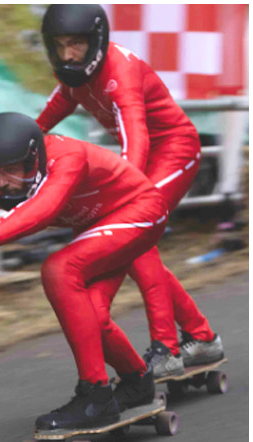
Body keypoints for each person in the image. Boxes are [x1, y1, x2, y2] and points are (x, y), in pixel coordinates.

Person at [35, 4, 224, 377]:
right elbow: (46, 117)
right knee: (132, 239)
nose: (67, 54)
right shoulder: (75, 77)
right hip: (144, 157)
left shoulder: (118, 70)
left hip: (174, 150)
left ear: (95, 41)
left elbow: (136, 135)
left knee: (134, 231)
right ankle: (201, 336)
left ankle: (167, 349)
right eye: (59, 45)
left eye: (75, 43)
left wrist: (127, 194)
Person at [0, 112, 167, 430]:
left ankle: (95, 394)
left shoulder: (68, 157)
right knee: (90, 316)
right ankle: (137, 381)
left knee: (59, 269)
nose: (3, 182)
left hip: (140, 210)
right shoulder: (3, 190)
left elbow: (44, 208)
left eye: (10, 170)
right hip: (101, 224)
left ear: (33, 159)